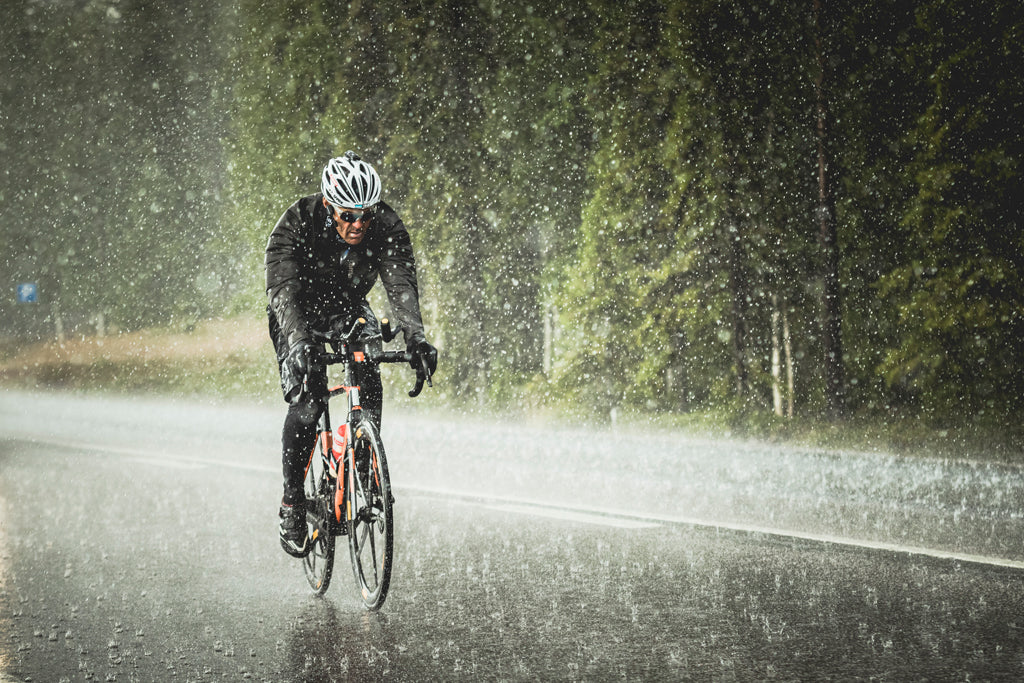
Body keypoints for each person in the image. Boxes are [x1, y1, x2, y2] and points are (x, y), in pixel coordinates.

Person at [265, 151, 438, 557]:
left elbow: (400, 286)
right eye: (348, 215)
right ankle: (292, 503)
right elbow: (281, 291)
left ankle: (363, 459)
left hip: (346, 308)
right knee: (309, 402)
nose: (358, 224)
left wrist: (416, 339)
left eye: (366, 214)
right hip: (297, 312)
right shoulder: (296, 223)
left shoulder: (387, 225)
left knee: (368, 362)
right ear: (328, 205)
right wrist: (298, 342)